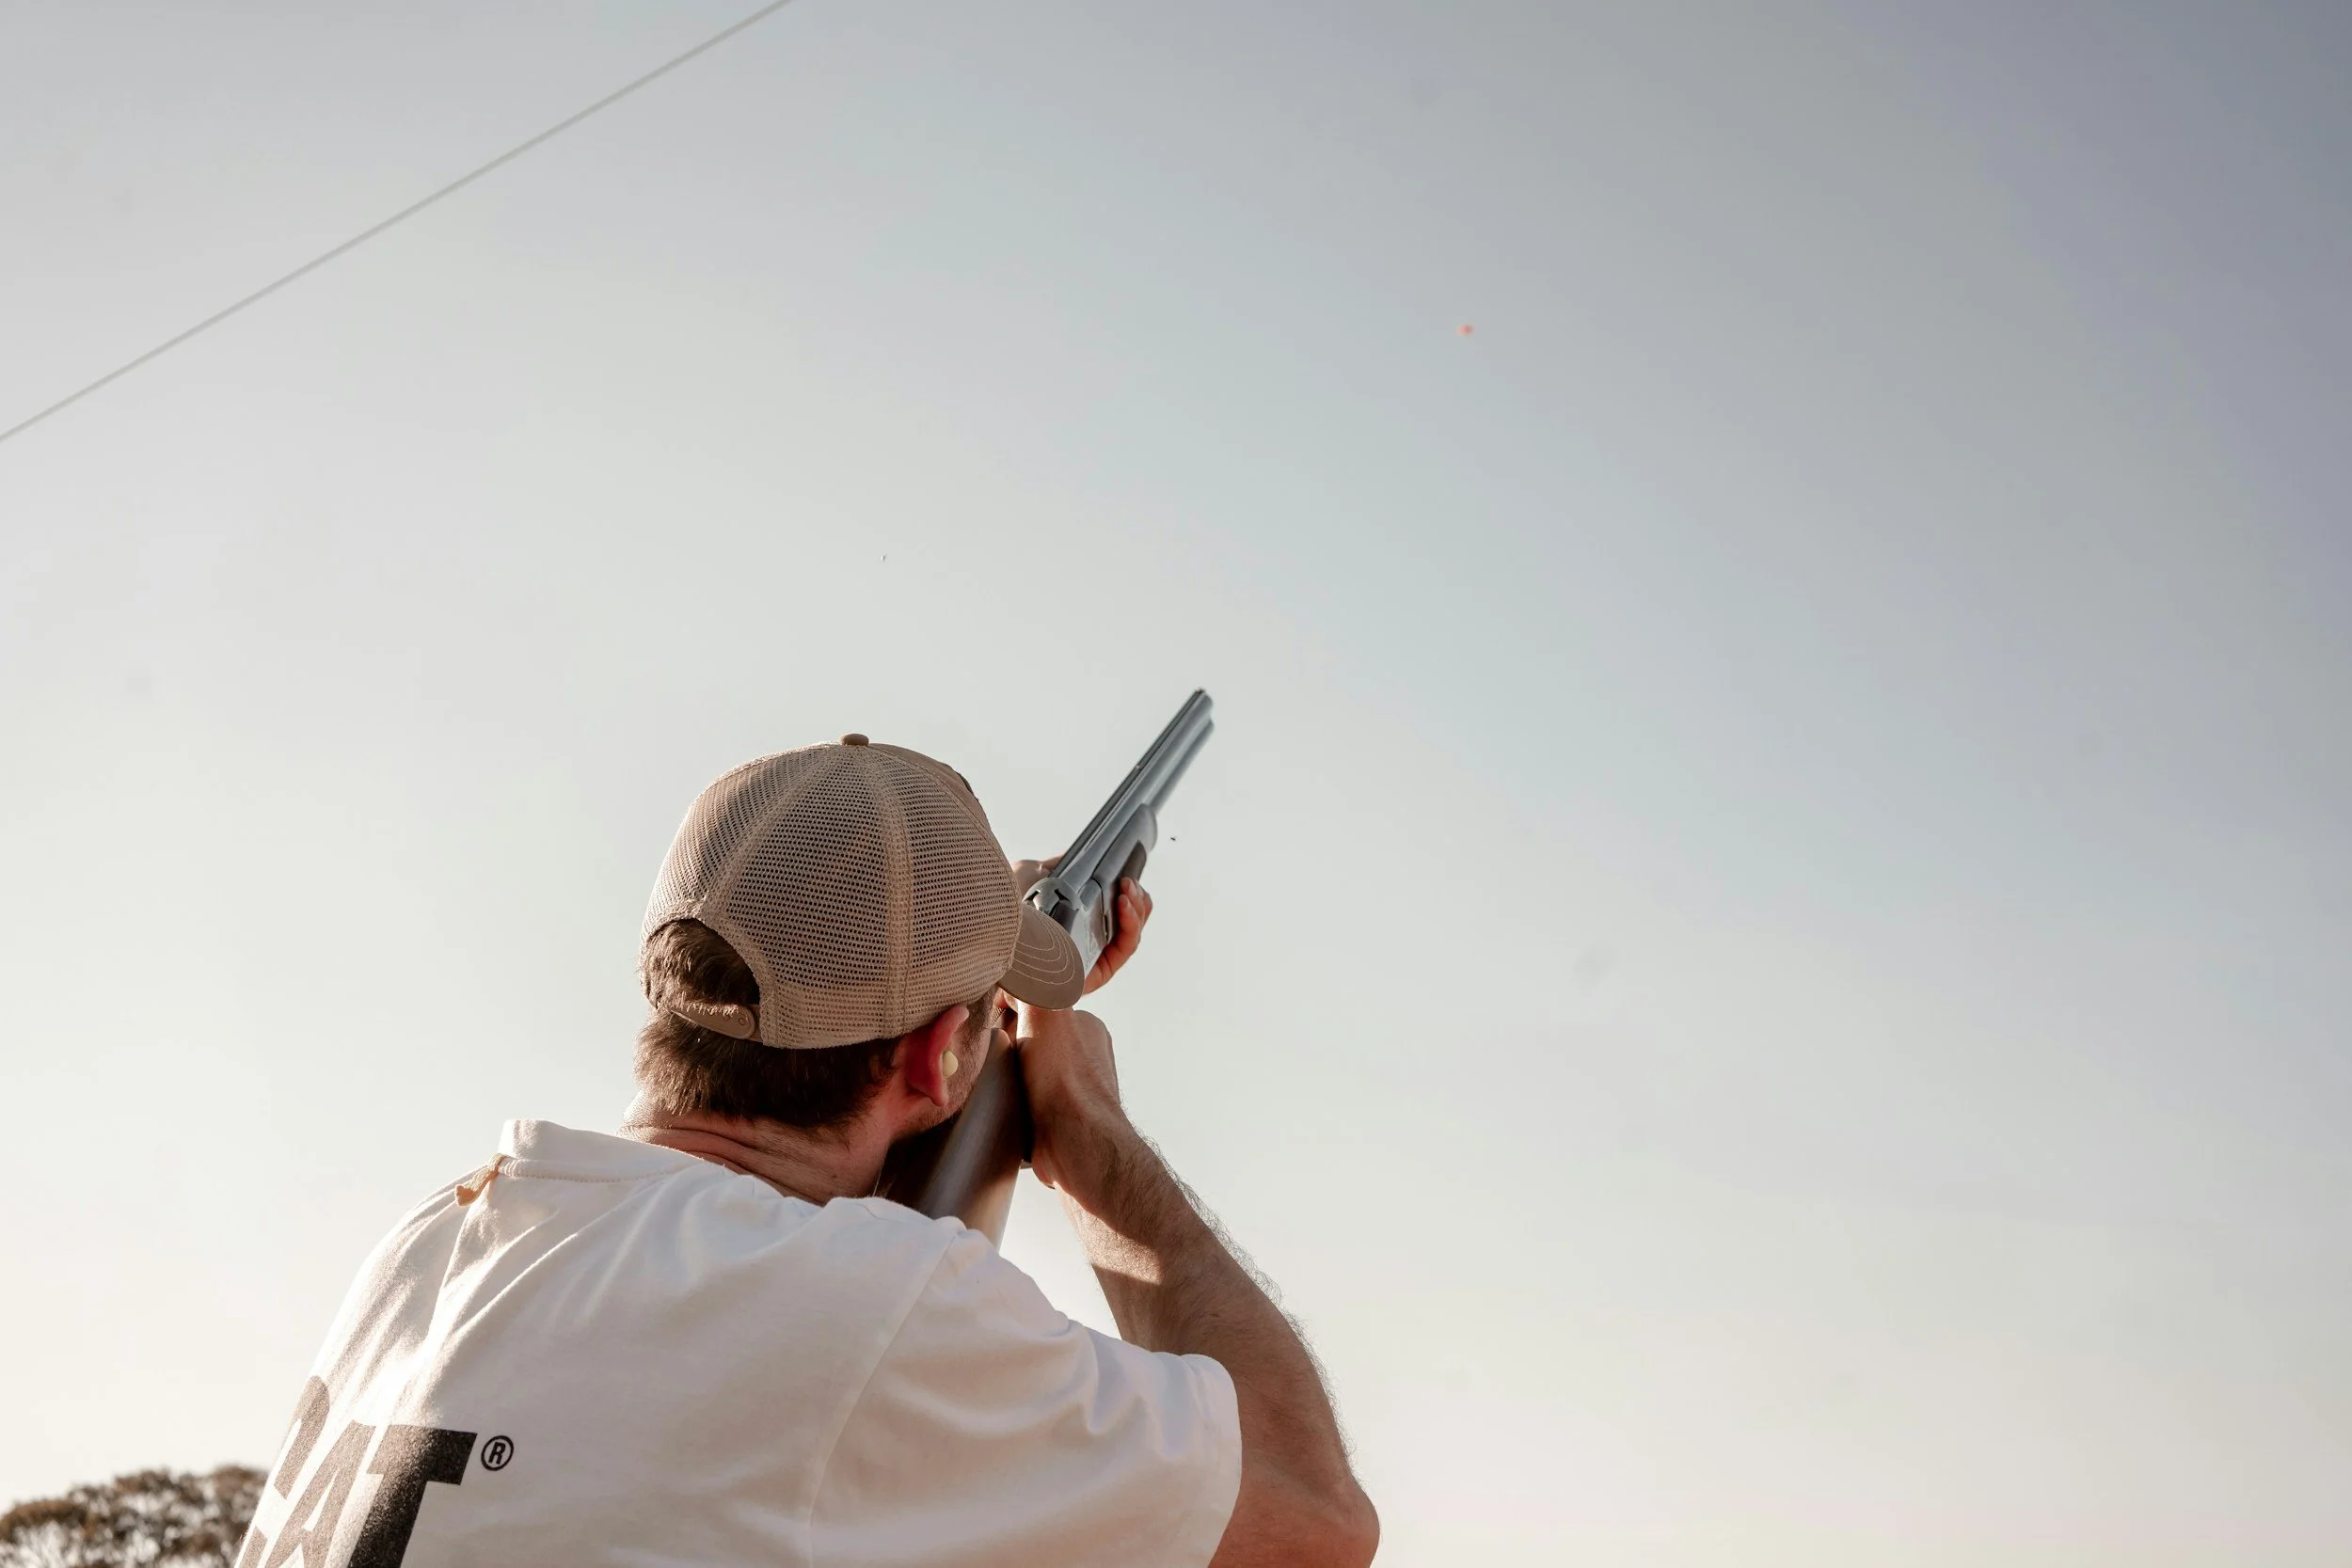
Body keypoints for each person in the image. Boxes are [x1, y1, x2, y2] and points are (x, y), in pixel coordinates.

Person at [236, 733, 1376, 1568]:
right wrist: (1085, 1129)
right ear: (936, 1061)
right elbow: (1312, 1516)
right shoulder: (867, 1306)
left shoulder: (434, 1239)